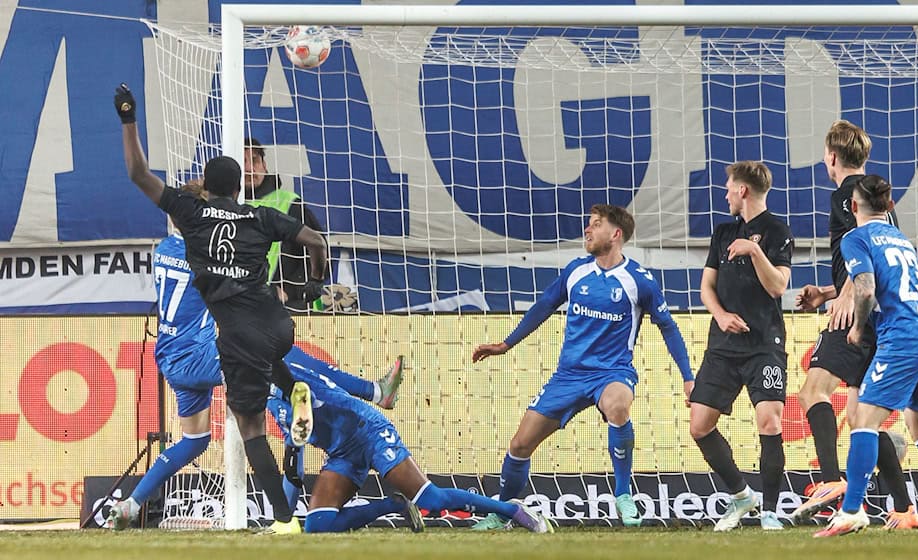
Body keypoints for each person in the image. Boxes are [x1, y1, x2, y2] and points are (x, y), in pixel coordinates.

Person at [106, 181, 404, 530]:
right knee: (286, 358)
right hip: (198, 355)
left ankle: (131, 503)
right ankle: (349, 395)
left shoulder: (165, 249)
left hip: (170, 356)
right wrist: (310, 294)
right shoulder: (204, 254)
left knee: (194, 440)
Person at [115, 83, 327, 533]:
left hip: (177, 354)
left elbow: (138, 174)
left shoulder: (176, 239)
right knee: (267, 385)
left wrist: (128, 118)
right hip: (251, 331)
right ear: (239, 187)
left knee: (221, 433)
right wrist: (312, 286)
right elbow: (314, 239)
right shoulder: (258, 217)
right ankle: (299, 402)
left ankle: (136, 505)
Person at [471, 204, 694, 529]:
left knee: (618, 404)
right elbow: (545, 305)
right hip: (569, 375)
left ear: (615, 234)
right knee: (520, 444)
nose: (587, 231)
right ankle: (502, 512)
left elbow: (669, 327)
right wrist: (506, 344)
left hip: (612, 372)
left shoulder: (639, 281)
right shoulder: (576, 271)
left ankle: (622, 495)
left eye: (596, 225)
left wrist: (688, 378)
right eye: (588, 225)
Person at [814, 175, 918, 537]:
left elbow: (864, 289)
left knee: (864, 419)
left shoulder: (855, 238)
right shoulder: (901, 239)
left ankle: (851, 512)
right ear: (890, 207)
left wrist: (859, 328)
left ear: (852, 207)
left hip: (903, 338)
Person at [792, 120, 918, 529]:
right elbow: (876, 261)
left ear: (831, 156)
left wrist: (843, 298)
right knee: (863, 417)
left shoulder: (846, 196)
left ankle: (830, 480)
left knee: (814, 390)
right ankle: (903, 509)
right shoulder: (877, 200)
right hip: (882, 316)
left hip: (857, 314)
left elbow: (860, 259)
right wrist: (828, 292)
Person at [268, 360, 553, 534]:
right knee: (319, 525)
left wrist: (284, 517)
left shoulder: (292, 378)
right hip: (341, 453)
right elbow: (296, 459)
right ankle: (393, 505)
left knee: (431, 500)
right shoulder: (267, 400)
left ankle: (513, 511)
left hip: (369, 432)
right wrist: (284, 519)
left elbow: (318, 401)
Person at [688, 161, 793, 532]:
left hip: (764, 343)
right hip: (724, 344)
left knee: (770, 420)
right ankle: (740, 496)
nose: (726, 193)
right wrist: (718, 315)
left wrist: (754, 251)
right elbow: (707, 288)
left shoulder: (777, 232)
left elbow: (779, 287)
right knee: (699, 425)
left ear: (743, 191)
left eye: (729, 187)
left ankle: (769, 511)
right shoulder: (722, 233)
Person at [243, 138, 341, 312]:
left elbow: (320, 248)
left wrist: (293, 291)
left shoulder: (289, 203)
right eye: (243, 162)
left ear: (265, 165)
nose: (250, 169)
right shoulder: (223, 206)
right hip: (240, 308)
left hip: (286, 310)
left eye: (255, 160)